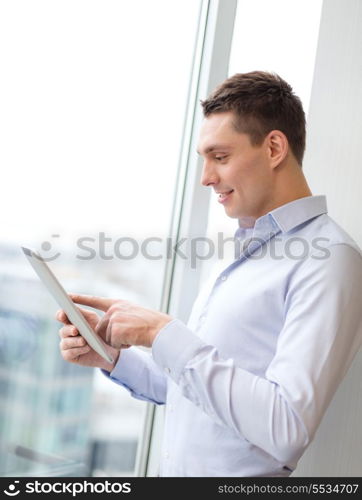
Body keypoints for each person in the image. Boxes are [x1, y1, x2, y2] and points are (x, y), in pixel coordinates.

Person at [57, 71, 362, 477]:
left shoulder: (329, 259)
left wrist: (162, 333)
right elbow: (197, 394)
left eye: (220, 157)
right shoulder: (238, 255)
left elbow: (286, 426)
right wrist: (114, 358)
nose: (206, 178)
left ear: (274, 147)